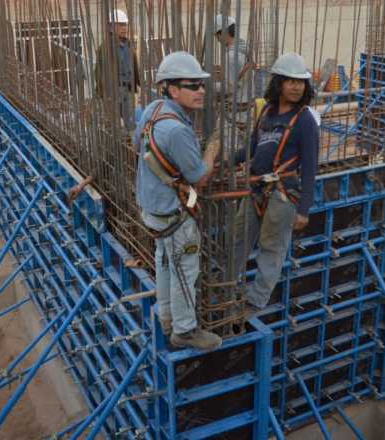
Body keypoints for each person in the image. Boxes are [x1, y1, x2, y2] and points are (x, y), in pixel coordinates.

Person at [135, 51, 222, 351]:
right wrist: (210, 152)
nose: (201, 91)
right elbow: (198, 177)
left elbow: (137, 144)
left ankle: (167, 318)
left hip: (151, 209)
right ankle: (185, 331)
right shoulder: (177, 130)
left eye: (202, 85)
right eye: (193, 85)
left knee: (163, 260)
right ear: (173, 89)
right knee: (185, 267)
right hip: (173, 215)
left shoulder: (152, 110)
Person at [232, 53, 320, 314]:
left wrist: (304, 210)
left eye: (300, 82)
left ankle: (255, 300)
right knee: (239, 236)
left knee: (272, 247)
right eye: (290, 81)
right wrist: (228, 160)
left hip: (283, 193)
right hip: (257, 188)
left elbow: (311, 167)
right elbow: (252, 145)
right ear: (279, 83)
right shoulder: (267, 112)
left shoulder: (305, 121)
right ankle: (226, 286)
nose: (296, 87)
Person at [95, 9, 141, 132]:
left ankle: (132, 146)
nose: (124, 28)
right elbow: (99, 73)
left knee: (130, 123)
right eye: (120, 25)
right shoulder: (105, 48)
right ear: (110, 27)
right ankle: (117, 145)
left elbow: (134, 67)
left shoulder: (129, 45)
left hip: (128, 89)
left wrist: (138, 84)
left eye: (125, 24)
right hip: (114, 91)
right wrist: (105, 93)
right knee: (114, 125)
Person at [213, 15, 255, 127]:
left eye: (217, 35)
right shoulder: (245, 51)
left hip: (235, 116)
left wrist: (208, 86)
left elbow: (228, 88)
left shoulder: (231, 56)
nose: (217, 40)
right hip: (247, 112)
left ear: (223, 33)